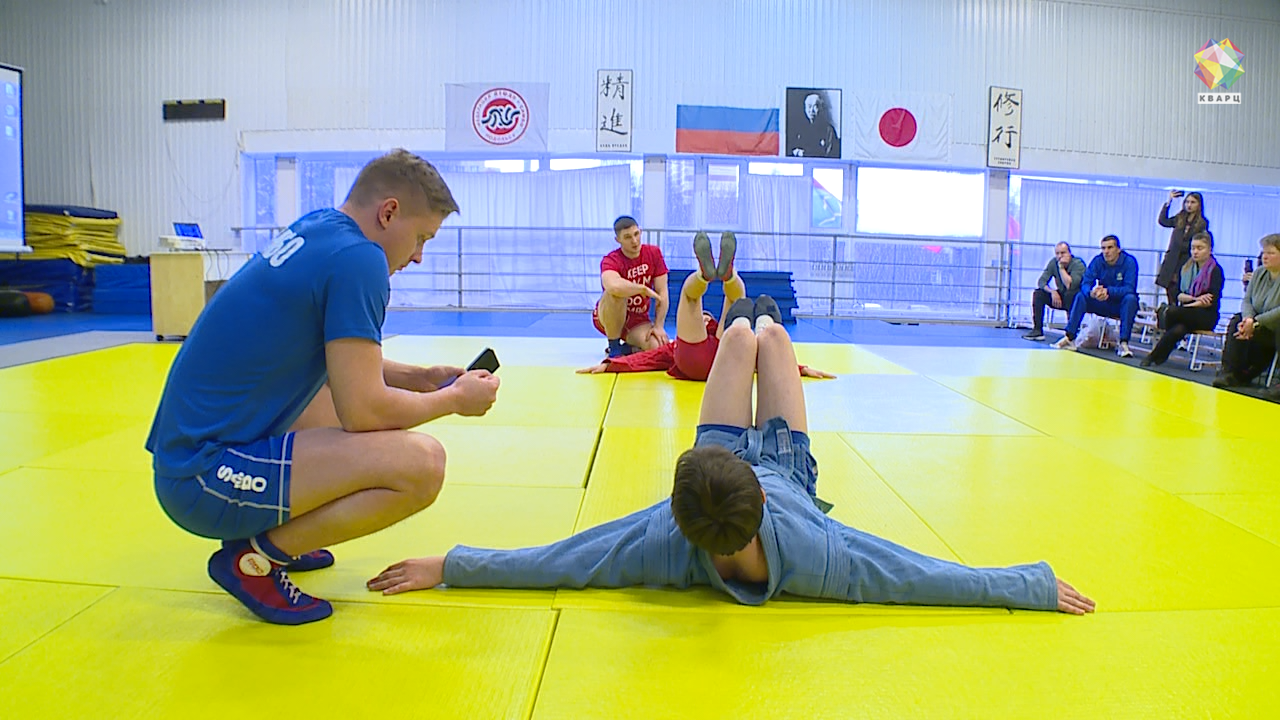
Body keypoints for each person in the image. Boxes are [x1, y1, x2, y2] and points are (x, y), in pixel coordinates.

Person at [370, 294, 1096, 615]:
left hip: (726, 460)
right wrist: (1024, 585)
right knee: (768, 338)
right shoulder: (815, 555)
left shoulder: (664, 540)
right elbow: (918, 576)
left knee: (742, 338)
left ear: (678, 513)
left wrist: (448, 565)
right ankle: (752, 318)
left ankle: (740, 317)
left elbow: (562, 561)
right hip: (779, 464)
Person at [146, 149, 501, 625]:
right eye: (421, 237)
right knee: (423, 465)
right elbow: (365, 411)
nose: (418, 255)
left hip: (188, 460)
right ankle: (255, 560)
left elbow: (336, 359)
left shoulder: (320, 228)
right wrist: (453, 400)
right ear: (389, 212)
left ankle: (277, 531)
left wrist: (418, 378)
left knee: (334, 396)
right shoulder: (361, 260)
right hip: (205, 481)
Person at [578, 231, 835, 381]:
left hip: (695, 362)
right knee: (736, 303)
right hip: (727, 361)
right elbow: (761, 356)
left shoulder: (679, 343)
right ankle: (729, 275)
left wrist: (611, 365)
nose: (704, 317)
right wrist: (799, 369)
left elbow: (650, 358)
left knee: (690, 298)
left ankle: (703, 275)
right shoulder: (726, 334)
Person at [1141, 232, 1224, 367]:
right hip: (1187, 313)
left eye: (1200, 248)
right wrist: (1194, 298)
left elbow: (1209, 301)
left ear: (1210, 249)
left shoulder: (1215, 271)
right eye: (1193, 248)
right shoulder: (1186, 268)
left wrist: (1188, 304)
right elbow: (1177, 294)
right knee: (1178, 329)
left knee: (1172, 312)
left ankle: (1164, 316)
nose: (1195, 252)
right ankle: (1154, 357)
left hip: (1206, 315)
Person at [594, 215, 670, 358]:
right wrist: (641, 289)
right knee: (617, 293)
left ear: (640, 232)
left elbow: (663, 292)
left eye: (636, 234)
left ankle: (628, 349)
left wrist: (659, 326)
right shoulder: (611, 260)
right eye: (628, 237)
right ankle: (614, 346)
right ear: (618, 240)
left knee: (659, 347)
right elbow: (613, 287)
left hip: (637, 320)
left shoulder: (653, 253)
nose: (634, 241)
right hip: (608, 315)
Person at [1053, 234, 1140, 358]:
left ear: (1118, 249)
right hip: (1102, 301)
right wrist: (1092, 293)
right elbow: (1086, 282)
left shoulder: (1129, 262)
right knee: (1081, 296)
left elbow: (1129, 288)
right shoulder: (1098, 261)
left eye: (1110, 248)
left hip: (1120, 304)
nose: (1106, 252)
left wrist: (1108, 291)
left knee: (1130, 299)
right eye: (1103, 248)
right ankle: (1070, 338)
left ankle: (1123, 343)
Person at [1214, 233, 1280, 395]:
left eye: (1271, 253)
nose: (1265, 257)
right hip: (1258, 325)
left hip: (1274, 327)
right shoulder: (1258, 273)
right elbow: (1247, 300)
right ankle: (1231, 372)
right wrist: (1248, 319)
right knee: (1237, 320)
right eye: (1264, 252)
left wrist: (1256, 322)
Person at [1023, 242, 1085, 341]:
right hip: (1060, 295)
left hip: (1076, 298)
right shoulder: (1053, 262)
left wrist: (1061, 268)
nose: (1060, 256)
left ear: (1069, 253)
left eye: (1063, 253)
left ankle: (1071, 333)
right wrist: (1052, 291)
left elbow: (1070, 285)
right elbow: (1041, 281)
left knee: (1071, 294)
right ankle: (1037, 330)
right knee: (1038, 294)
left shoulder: (1078, 264)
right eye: (1057, 253)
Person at [1156, 190, 1209, 308]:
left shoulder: (1202, 223)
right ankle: (1171, 309)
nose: (1189, 205)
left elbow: (1200, 240)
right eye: (1187, 202)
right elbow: (1163, 221)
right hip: (1172, 258)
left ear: (1199, 205)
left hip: (1186, 259)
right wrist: (1168, 202)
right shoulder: (1179, 218)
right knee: (1169, 287)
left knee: (1182, 287)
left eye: (1193, 202)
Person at [789, 92, 841, 158]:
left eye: (815, 106)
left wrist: (806, 154)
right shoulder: (799, 129)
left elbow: (831, 155)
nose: (811, 110)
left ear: (821, 108)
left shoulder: (829, 130)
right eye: (809, 106)